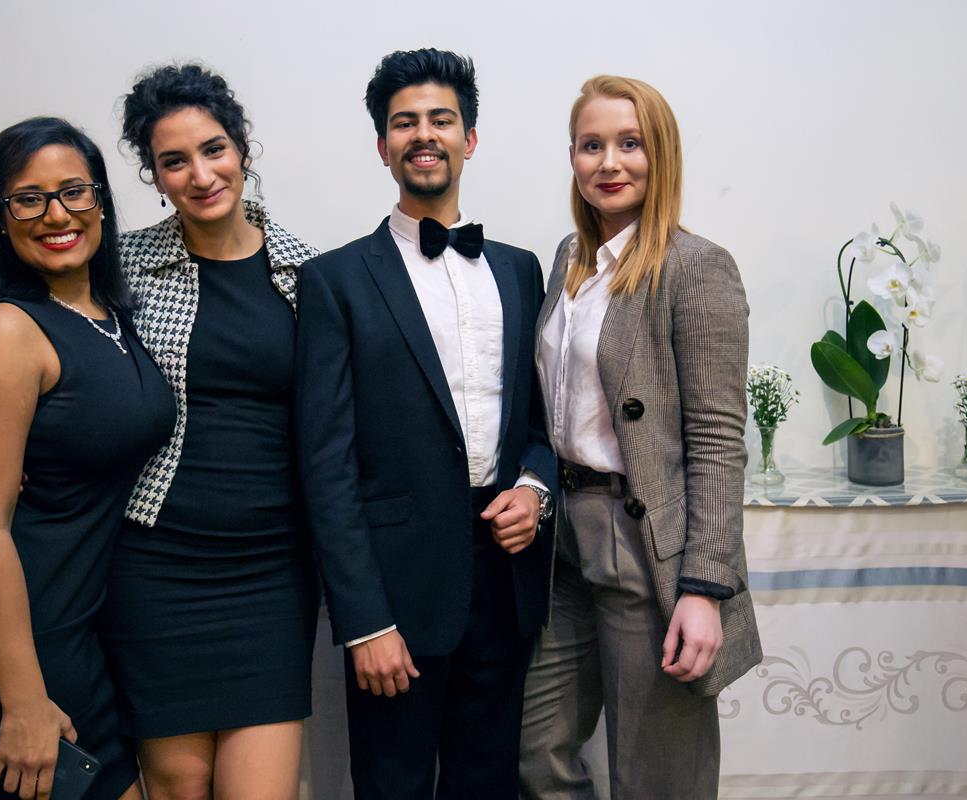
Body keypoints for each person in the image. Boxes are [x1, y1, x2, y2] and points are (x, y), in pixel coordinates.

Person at [295, 48, 557, 800]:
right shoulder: (335, 280)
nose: (424, 134)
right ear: (383, 147)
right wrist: (363, 621)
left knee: (488, 782)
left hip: (504, 580)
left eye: (441, 120)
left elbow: (540, 424)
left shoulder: (520, 268)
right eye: (404, 123)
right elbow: (325, 463)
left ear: (468, 139)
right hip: (396, 595)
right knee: (393, 786)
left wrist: (536, 488)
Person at [0, 117, 175, 800]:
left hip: (73, 630)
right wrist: (23, 700)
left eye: (74, 192)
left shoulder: (115, 318)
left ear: (101, 202)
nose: (57, 214)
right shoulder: (5, 332)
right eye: (28, 199)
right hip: (4, 653)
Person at [517, 76, 764, 799]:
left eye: (630, 143)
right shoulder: (570, 258)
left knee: (656, 775)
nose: (609, 162)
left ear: (662, 153)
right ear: (572, 157)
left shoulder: (696, 266)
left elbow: (717, 438)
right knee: (534, 754)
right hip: (561, 539)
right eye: (591, 145)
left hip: (643, 541)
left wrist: (704, 587)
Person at [98, 63, 319, 800]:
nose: (200, 175)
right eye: (174, 160)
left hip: (271, 570)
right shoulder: (122, 268)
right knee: (178, 786)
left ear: (242, 149)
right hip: (156, 567)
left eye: (214, 149)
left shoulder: (311, 273)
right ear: (155, 175)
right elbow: (69, 375)